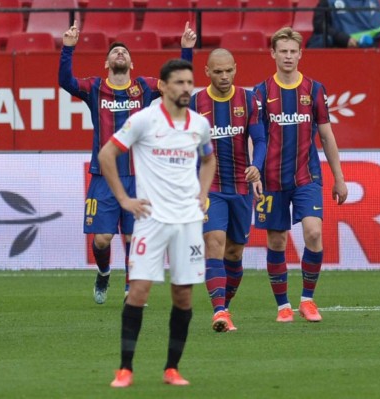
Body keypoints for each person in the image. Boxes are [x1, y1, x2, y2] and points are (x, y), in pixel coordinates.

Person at [59, 20, 198, 304]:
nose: (119, 53)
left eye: (123, 51)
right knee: (102, 240)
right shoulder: (95, 88)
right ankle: (103, 270)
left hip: (139, 176)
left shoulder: (144, 87)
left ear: (132, 63)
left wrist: (186, 51)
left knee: (133, 238)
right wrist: (67, 49)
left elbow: (177, 85)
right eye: (114, 52)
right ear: (106, 62)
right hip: (104, 176)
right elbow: (66, 82)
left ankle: (128, 288)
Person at [99, 58, 216, 388]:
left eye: (189, 83)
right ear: (163, 86)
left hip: (188, 222)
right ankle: (125, 369)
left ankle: (172, 369)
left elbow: (209, 158)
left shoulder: (199, 124)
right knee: (138, 291)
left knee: (183, 296)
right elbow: (107, 154)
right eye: (179, 83)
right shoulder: (143, 121)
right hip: (151, 221)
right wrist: (124, 200)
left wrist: (203, 193)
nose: (186, 89)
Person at [253, 27, 348, 323]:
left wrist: (340, 177)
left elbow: (327, 136)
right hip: (270, 179)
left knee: (314, 232)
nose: (288, 56)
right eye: (283, 51)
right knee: (277, 241)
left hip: (307, 176)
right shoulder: (260, 93)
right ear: (273, 54)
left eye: (293, 51)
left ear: (300, 53)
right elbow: (254, 137)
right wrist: (253, 172)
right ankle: (283, 305)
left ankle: (307, 299)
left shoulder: (315, 90)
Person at [190, 48, 266, 332]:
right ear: (206, 72)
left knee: (234, 252)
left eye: (228, 71)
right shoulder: (195, 102)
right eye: (217, 71)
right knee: (214, 243)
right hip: (211, 188)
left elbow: (259, 139)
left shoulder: (249, 100)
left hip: (241, 186)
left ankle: (225, 303)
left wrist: (256, 165)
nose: (224, 76)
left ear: (236, 68)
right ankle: (219, 311)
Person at [307, 0, 380, 48]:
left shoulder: (371, 2)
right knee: (321, 40)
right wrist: (344, 39)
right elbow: (319, 25)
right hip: (336, 44)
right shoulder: (328, 2)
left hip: (363, 48)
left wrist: (362, 41)